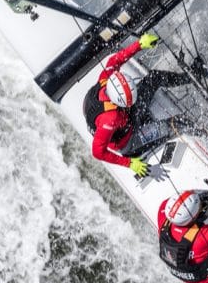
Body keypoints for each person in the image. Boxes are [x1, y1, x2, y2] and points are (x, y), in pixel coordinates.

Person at [82, 32, 192, 178]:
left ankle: (191, 76)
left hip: (126, 118)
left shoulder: (106, 78)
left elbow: (116, 60)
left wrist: (139, 44)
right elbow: (97, 152)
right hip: (129, 140)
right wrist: (130, 163)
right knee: (177, 123)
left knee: (154, 78)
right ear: (118, 103)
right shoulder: (111, 118)